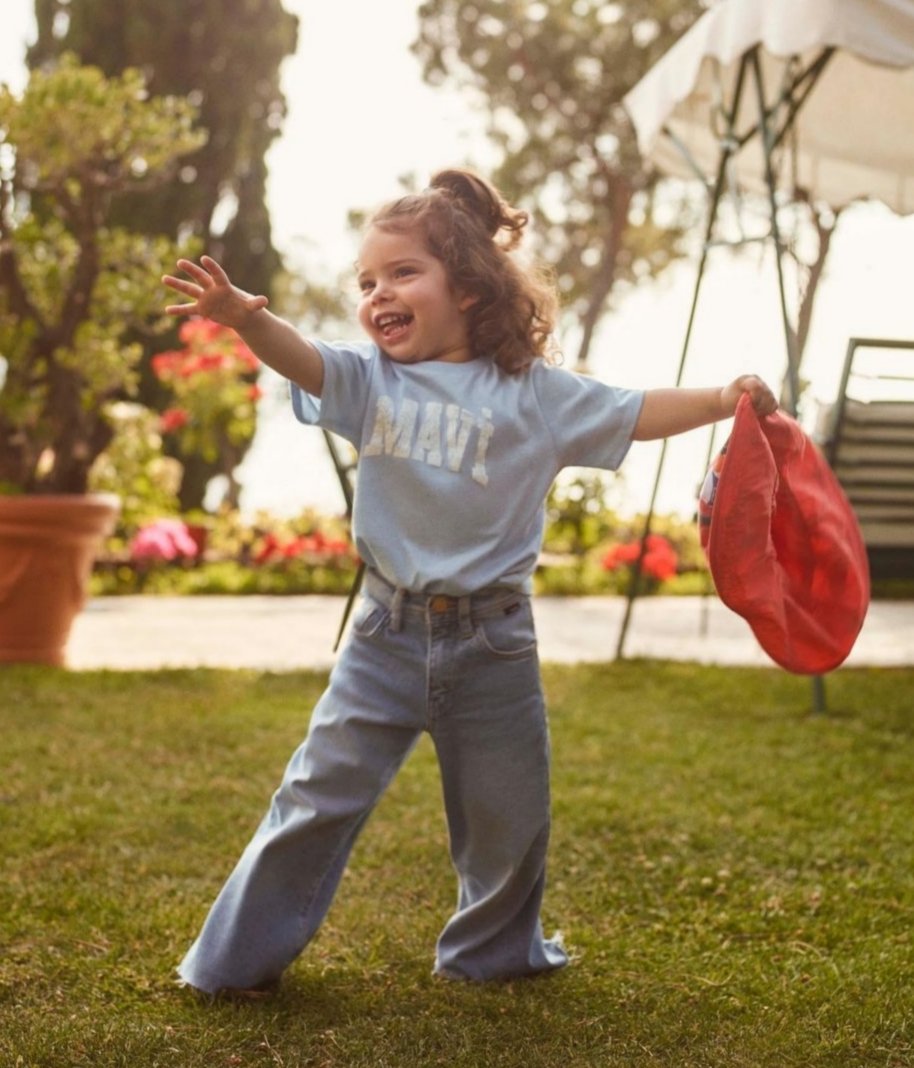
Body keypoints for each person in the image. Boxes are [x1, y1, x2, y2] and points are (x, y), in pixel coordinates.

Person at [162, 168, 776, 996]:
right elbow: (301, 360)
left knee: (507, 820)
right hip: (384, 636)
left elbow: (634, 410)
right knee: (311, 801)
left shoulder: (537, 396)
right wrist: (244, 319)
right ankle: (230, 964)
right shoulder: (368, 381)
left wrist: (724, 397)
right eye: (367, 282)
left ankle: (491, 955)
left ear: (474, 291)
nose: (379, 294)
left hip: (493, 644)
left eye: (403, 273)